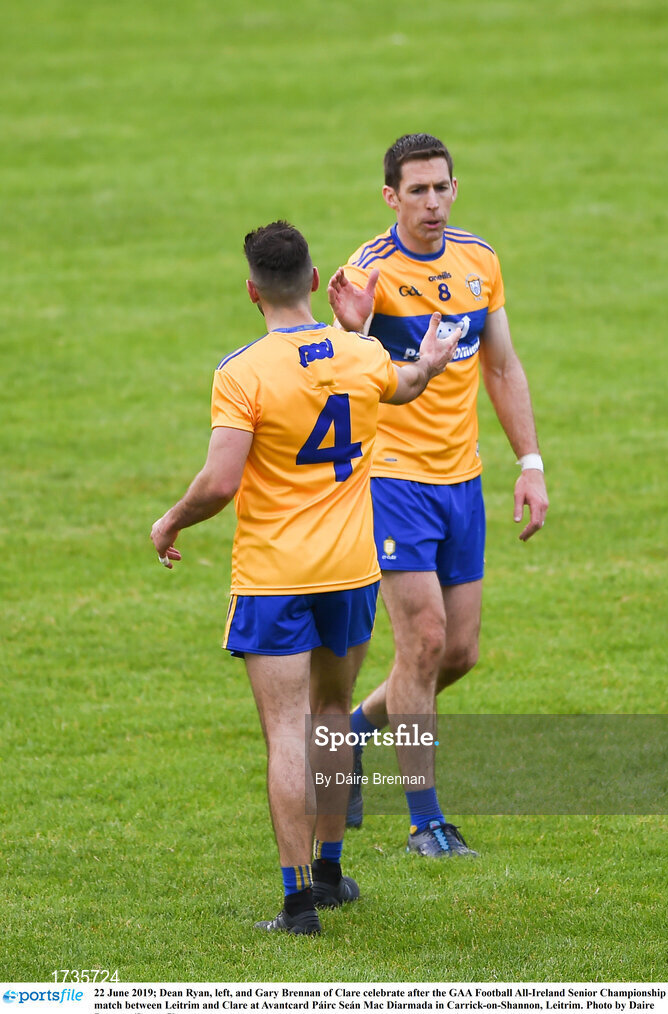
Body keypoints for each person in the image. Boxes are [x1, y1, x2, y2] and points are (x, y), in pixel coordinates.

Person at [150, 221, 460, 934]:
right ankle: (330, 872)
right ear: (316, 281)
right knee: (329, 718)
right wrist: (434, 359)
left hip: (275, 578)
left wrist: (170, 521)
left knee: (287, 733)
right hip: (352, 571)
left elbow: (221, 482)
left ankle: (296, 905)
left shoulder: (244, 372)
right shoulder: (361, 353)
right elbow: (405, 383)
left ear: (252, 290)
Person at [328, 133, 549, 857]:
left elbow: (504, 366)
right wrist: (351, 333)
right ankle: (426, 821)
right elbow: (330, 372)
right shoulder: (369, 272)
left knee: (458, 652)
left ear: (456, 188)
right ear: (390, 196)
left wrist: (531, 462)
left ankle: (351, 732)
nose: (431, 202)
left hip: (462, 480)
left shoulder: (479, 260)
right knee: (420, 641)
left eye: (441, 187)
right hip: (392, 479)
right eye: (416, 190)